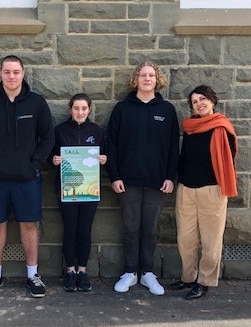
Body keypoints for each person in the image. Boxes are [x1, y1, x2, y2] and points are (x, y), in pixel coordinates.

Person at [0, 55, 54, 298]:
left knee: (29, 224)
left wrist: (34, 164)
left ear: (23, 73)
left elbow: (48, 137)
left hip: (28, 178)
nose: (11, 76)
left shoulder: (37, 103)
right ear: (0, 73)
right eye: (7, 71)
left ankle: (33, 275)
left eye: (16, 72)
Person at [106, 62, 180, 296]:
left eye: (151, 75)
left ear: (157, 80)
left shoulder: (166, 110)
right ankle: (130, 272)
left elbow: (172, 148)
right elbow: (112, 145)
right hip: (127, 181)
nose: (147, 78)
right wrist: (114, 175)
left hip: (157, 182)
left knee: (150, 229)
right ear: (135, 79)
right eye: (142, 75)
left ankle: (147, 273)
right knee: (130, 229)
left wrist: (170, 177)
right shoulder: (122, 109)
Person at [171, 85, 238, 300]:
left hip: (212, 189)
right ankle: (188, 276)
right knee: (185, 237)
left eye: (203, 99)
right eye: (194, 101)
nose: (199, 103)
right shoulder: (189, 127)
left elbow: (227, 160)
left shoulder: (221, 127)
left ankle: (205, 281)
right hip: (186, 189)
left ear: (212, 100)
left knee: (211, 239)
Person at [50, 93, 107, 292]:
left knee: (84, 230)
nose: (80, 112)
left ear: (89, 110)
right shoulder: (60, 131)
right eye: (76, 108)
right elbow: (49, 155)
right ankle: (70, 271)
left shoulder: (97, 132)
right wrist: (54, 160)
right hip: (67, 191)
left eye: (84, 108)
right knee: (70, 230)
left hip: (90, 190)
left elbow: (107, 156)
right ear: (70, 109)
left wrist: (104, 160)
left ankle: (82, 271)